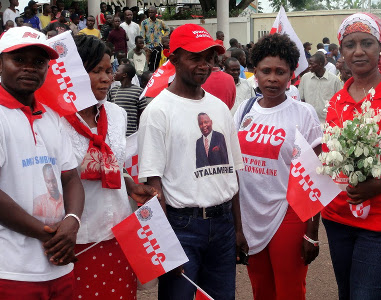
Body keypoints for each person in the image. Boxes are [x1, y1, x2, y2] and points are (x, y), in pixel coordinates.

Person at [138, 23, 248, 300]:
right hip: (182, 229)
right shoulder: (157, 112)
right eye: (195, 57)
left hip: (223, 227)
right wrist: (166, 246)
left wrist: (237, 229)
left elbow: (232, 174)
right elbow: (154, 186)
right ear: (173, 59)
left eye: (209, 58)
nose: (204, 65)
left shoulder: (220, 109)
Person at [0, 26, 84, 299]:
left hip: (58, 265)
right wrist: (51, 236)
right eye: (19, 60)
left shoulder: (51, 115)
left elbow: (70, 177)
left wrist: (72, 221)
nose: (30, 68)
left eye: (39, 62)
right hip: (9, 269)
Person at [63, 34, 157, 300]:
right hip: (75, 238)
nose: (107, 78)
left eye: (109, 70)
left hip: (118, 231)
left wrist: (131, 185)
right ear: (74, 74)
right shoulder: (53, 118)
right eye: (97, 71)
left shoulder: (117, 115)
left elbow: (114, 161)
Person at [234, 32, 322, 300]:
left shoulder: (303, 114)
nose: (273, 78)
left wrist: (311, 233)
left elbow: (315, 176)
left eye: (280, 72)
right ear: (254, 73)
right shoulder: (243, 110)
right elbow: (234, 170)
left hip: (289, 213)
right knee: (261, 290)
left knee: (289, 291)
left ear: (291, 74)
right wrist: (237, 227)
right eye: (266, 71)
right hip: (249, 216)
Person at [322, 12, 381, 300]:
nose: (359, 51)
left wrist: (378, 185)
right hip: (338, 219)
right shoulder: (339, 99)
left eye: (367, 43)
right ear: (341, 51)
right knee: (348, 293)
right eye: (350, 44)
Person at [299, 53, 343, 123]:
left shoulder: (334, 80)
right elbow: (301, 99)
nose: (309, 66)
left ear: (320, 64)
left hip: (327, 122)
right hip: (309, 121)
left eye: (312, 64)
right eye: (309, 64)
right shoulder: (305, 78)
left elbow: (339, 101)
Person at [109, 63, 147, 136]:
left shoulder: (138, 91)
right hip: (114, 134)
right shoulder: (113, 90)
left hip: (130, 135)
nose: (115, 73)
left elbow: (142, 115)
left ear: (124, 75)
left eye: (117, 71)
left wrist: (139, 134)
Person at [141, 6, 169, 71]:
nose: (150, 14)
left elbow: (168, 30)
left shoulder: (160, 22)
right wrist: (144, 46)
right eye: (149, 12)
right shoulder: (144, 22)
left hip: (158, 46)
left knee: (157, 63)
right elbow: (142, 35)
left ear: (156, 13)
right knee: (149, 65)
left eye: (152, 12)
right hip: (148, 47)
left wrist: (163, 37)